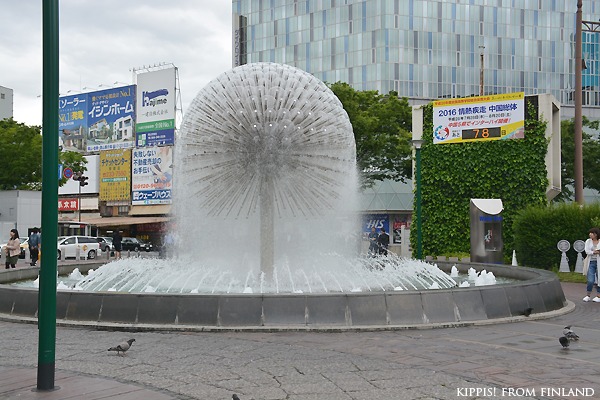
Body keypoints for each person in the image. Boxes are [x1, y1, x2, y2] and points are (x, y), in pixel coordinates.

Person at [583, 227, 600, 302]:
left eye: (592, 233)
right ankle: (588, 295)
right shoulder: (588, 241)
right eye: (590, 233)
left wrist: (595, 251)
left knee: (599, 279)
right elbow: (587, 251)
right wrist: (594, 252)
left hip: (599, 262)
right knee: (590, 280)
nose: (590, 234)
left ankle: (598, 296)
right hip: (591, 262)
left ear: (596, 234)